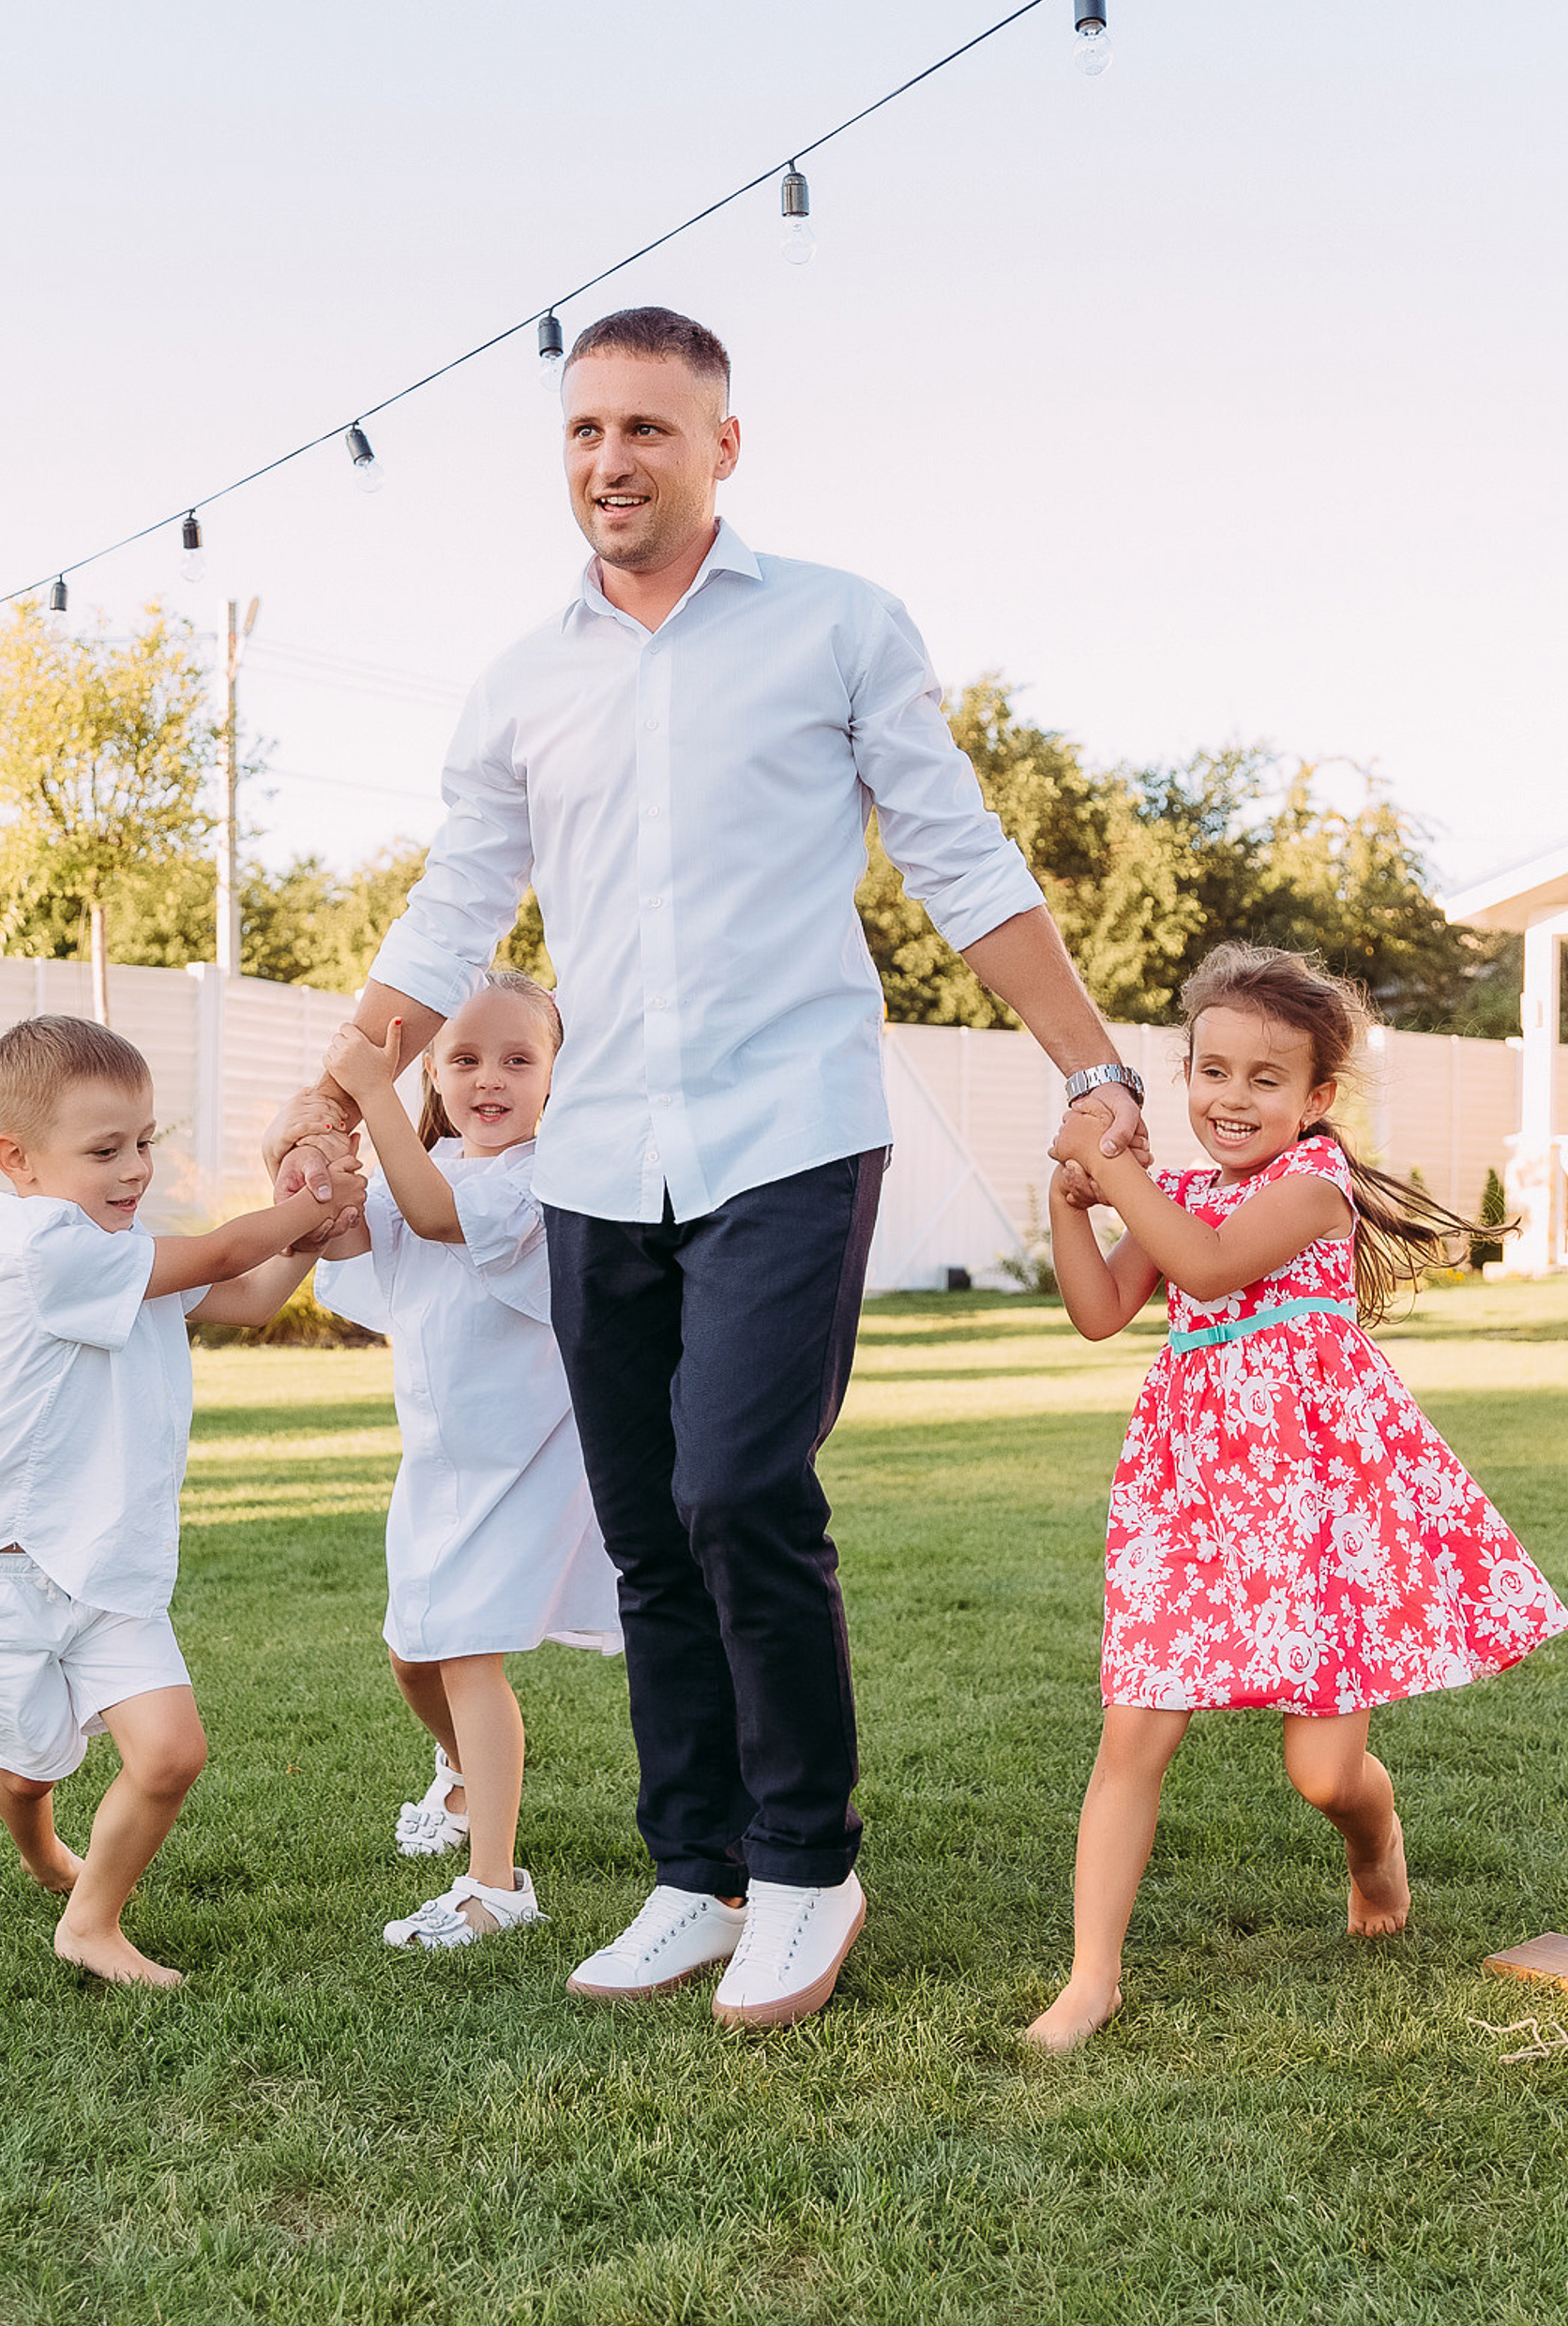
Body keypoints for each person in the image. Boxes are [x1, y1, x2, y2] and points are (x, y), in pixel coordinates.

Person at [265, 305, 1152, 2029]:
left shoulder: (837, 624)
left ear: (721, 446)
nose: (612, 460)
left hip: (790, 1130)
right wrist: (334, 1081)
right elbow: (455, 903)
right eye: (585, 430)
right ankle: (697, 1871)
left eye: (649, 429)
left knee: (740, 1489)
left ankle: (807, 1867)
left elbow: (961, 859)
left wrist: (1094, 1066)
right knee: (644, 1529)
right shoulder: (524, 680)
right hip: (601, 1159)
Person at [1023, 944, 1568, 2052]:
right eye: (1210, 1071)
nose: (1230, 1097)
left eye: (1263, 1079)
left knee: (1321, 1773)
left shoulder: (1314, 1187)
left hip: (1317, 1510)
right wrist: (1067, 1199)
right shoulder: (1176, 1193)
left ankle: (1374, 1844)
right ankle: (1091, 1979)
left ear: (1315, 1099)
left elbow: (1208, 1265)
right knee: (1132, 1731)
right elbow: (1098, 1312)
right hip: (1190, 1499)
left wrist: (1107, 1164)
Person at [0, 1014, 365, 1988]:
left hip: (103, 1568)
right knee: (31, 1766)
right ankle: (39, 1840)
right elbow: (221, 1254)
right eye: (104, 1150)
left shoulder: (118, 1250)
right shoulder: (46, 1250)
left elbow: (248, 1296)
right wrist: (305, 1203)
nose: (134, 1170)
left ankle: (89, 1924)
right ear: (17, 1160)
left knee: (169, 1755)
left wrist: (311, 1232)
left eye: (145, 1142)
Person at [309, 971, 622, 1952]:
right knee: (412, 1652)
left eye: (518, 1060)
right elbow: (364, 1244)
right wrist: (323, 1169)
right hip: (441, 1465)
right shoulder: (426, 1169)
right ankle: (458, 1773)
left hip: (525, 1463)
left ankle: (496, 1884)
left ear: (555, 1078)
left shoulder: (542, 1186)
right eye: (467, 1058)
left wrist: (369, 1091)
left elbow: (439, 1215)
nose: (491, 1078)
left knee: (466, 1652)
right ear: (435, 1075)